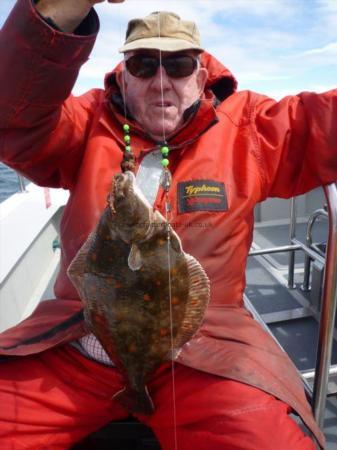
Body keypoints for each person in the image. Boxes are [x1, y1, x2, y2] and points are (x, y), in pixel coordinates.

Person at [0, 0, 336, 449]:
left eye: (178, 65)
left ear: (200, 75)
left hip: (207, 349)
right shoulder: (87, 123)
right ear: (123, 75)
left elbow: (321, 125)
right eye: (142, 65)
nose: (161, 82)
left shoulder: (249, 128)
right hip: (84, 336)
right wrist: (60, 10)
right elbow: (13, 115)